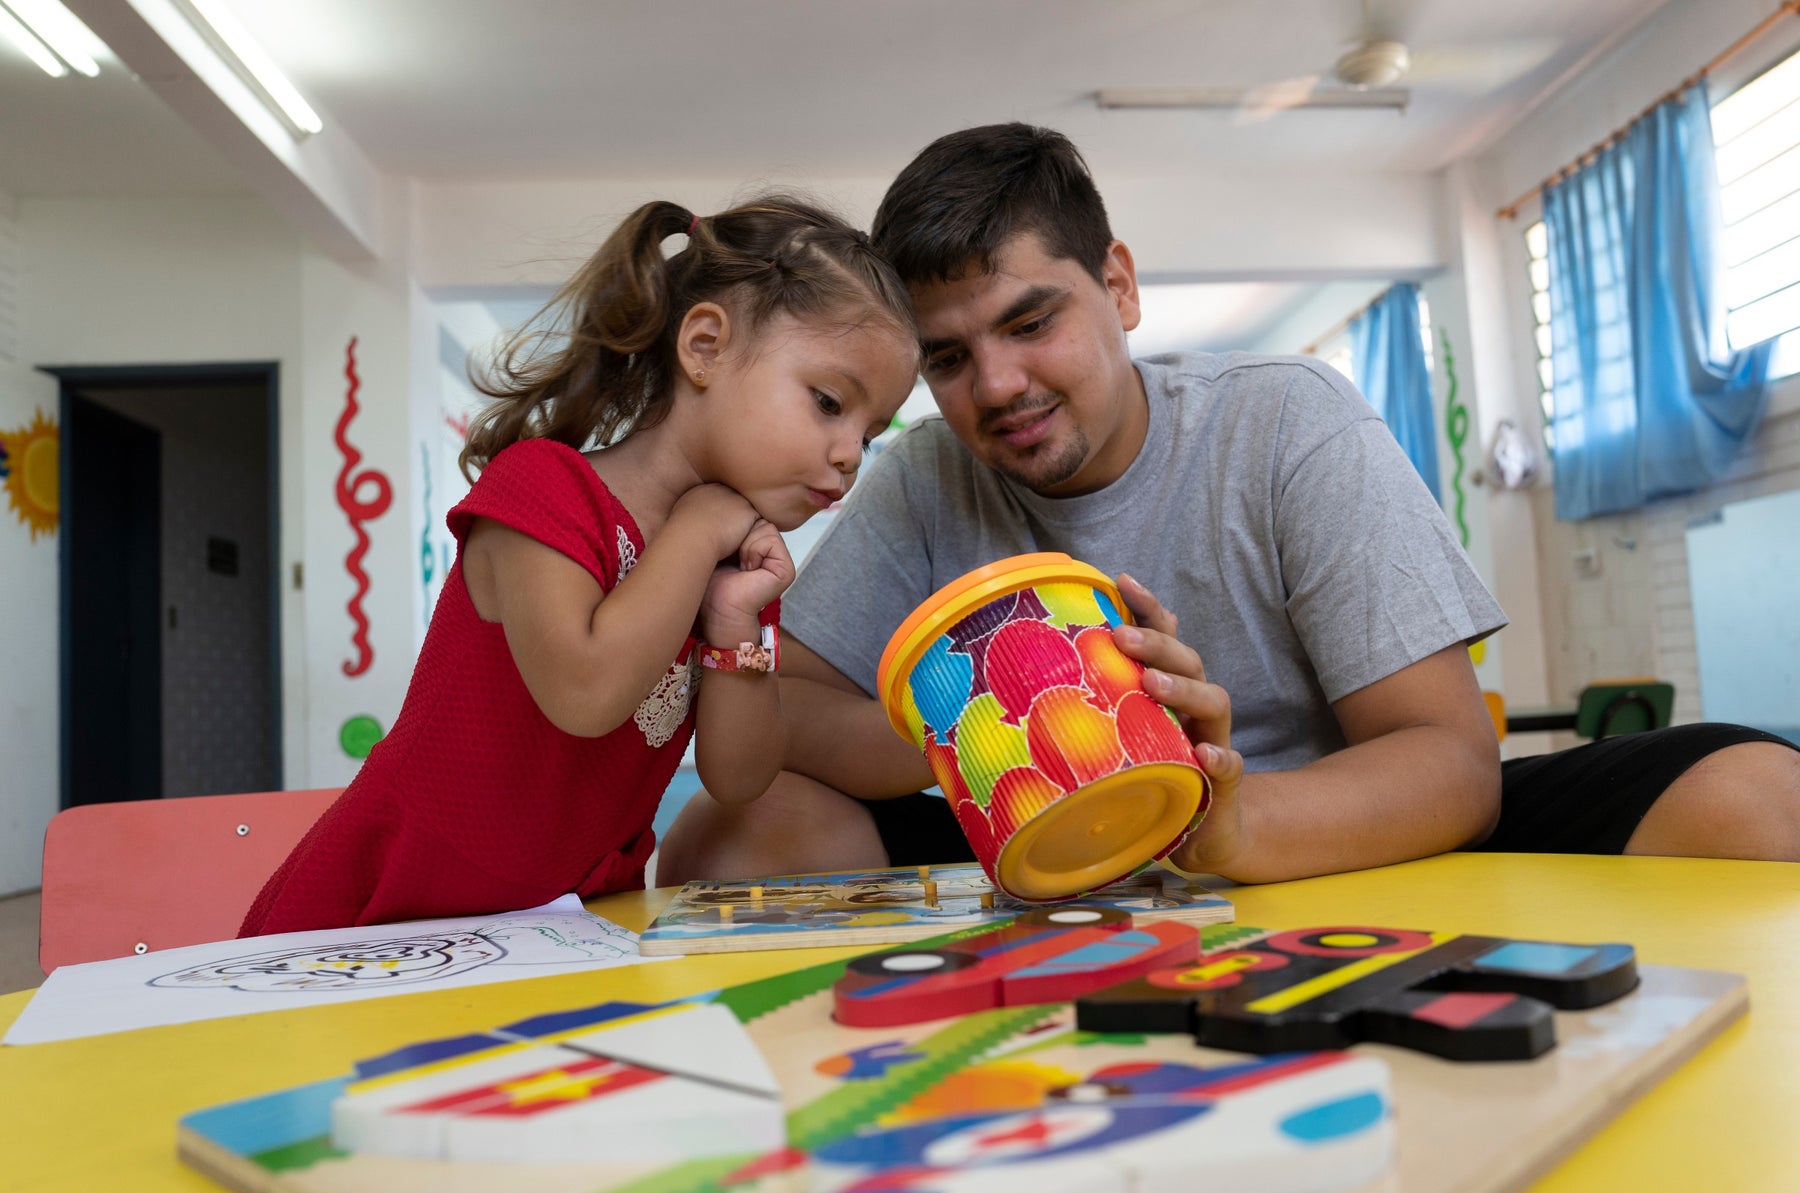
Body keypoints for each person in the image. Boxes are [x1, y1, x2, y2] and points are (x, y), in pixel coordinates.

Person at [656, 124, 1800, 887]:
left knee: (1757, 794)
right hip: (1040, 847)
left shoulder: (1289, 421)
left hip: (1321, 838)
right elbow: (783, 722)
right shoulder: (919, 478)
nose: (997, 387)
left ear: (1119, 287)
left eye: (1030, 322)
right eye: (947, 359)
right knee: (725, 836)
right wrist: (965, 721)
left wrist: (1226, 823)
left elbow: (1450, 761)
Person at [242, 195, 918, 936]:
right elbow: (586, 690)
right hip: (391, 913)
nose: (851, 453)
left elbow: (738, 777)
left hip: (562, 923)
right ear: (704, 347)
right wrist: (694, 531)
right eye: (828, 403)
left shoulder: (738, 564)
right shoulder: (546, 488)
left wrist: (733, 621)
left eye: (872, 429)